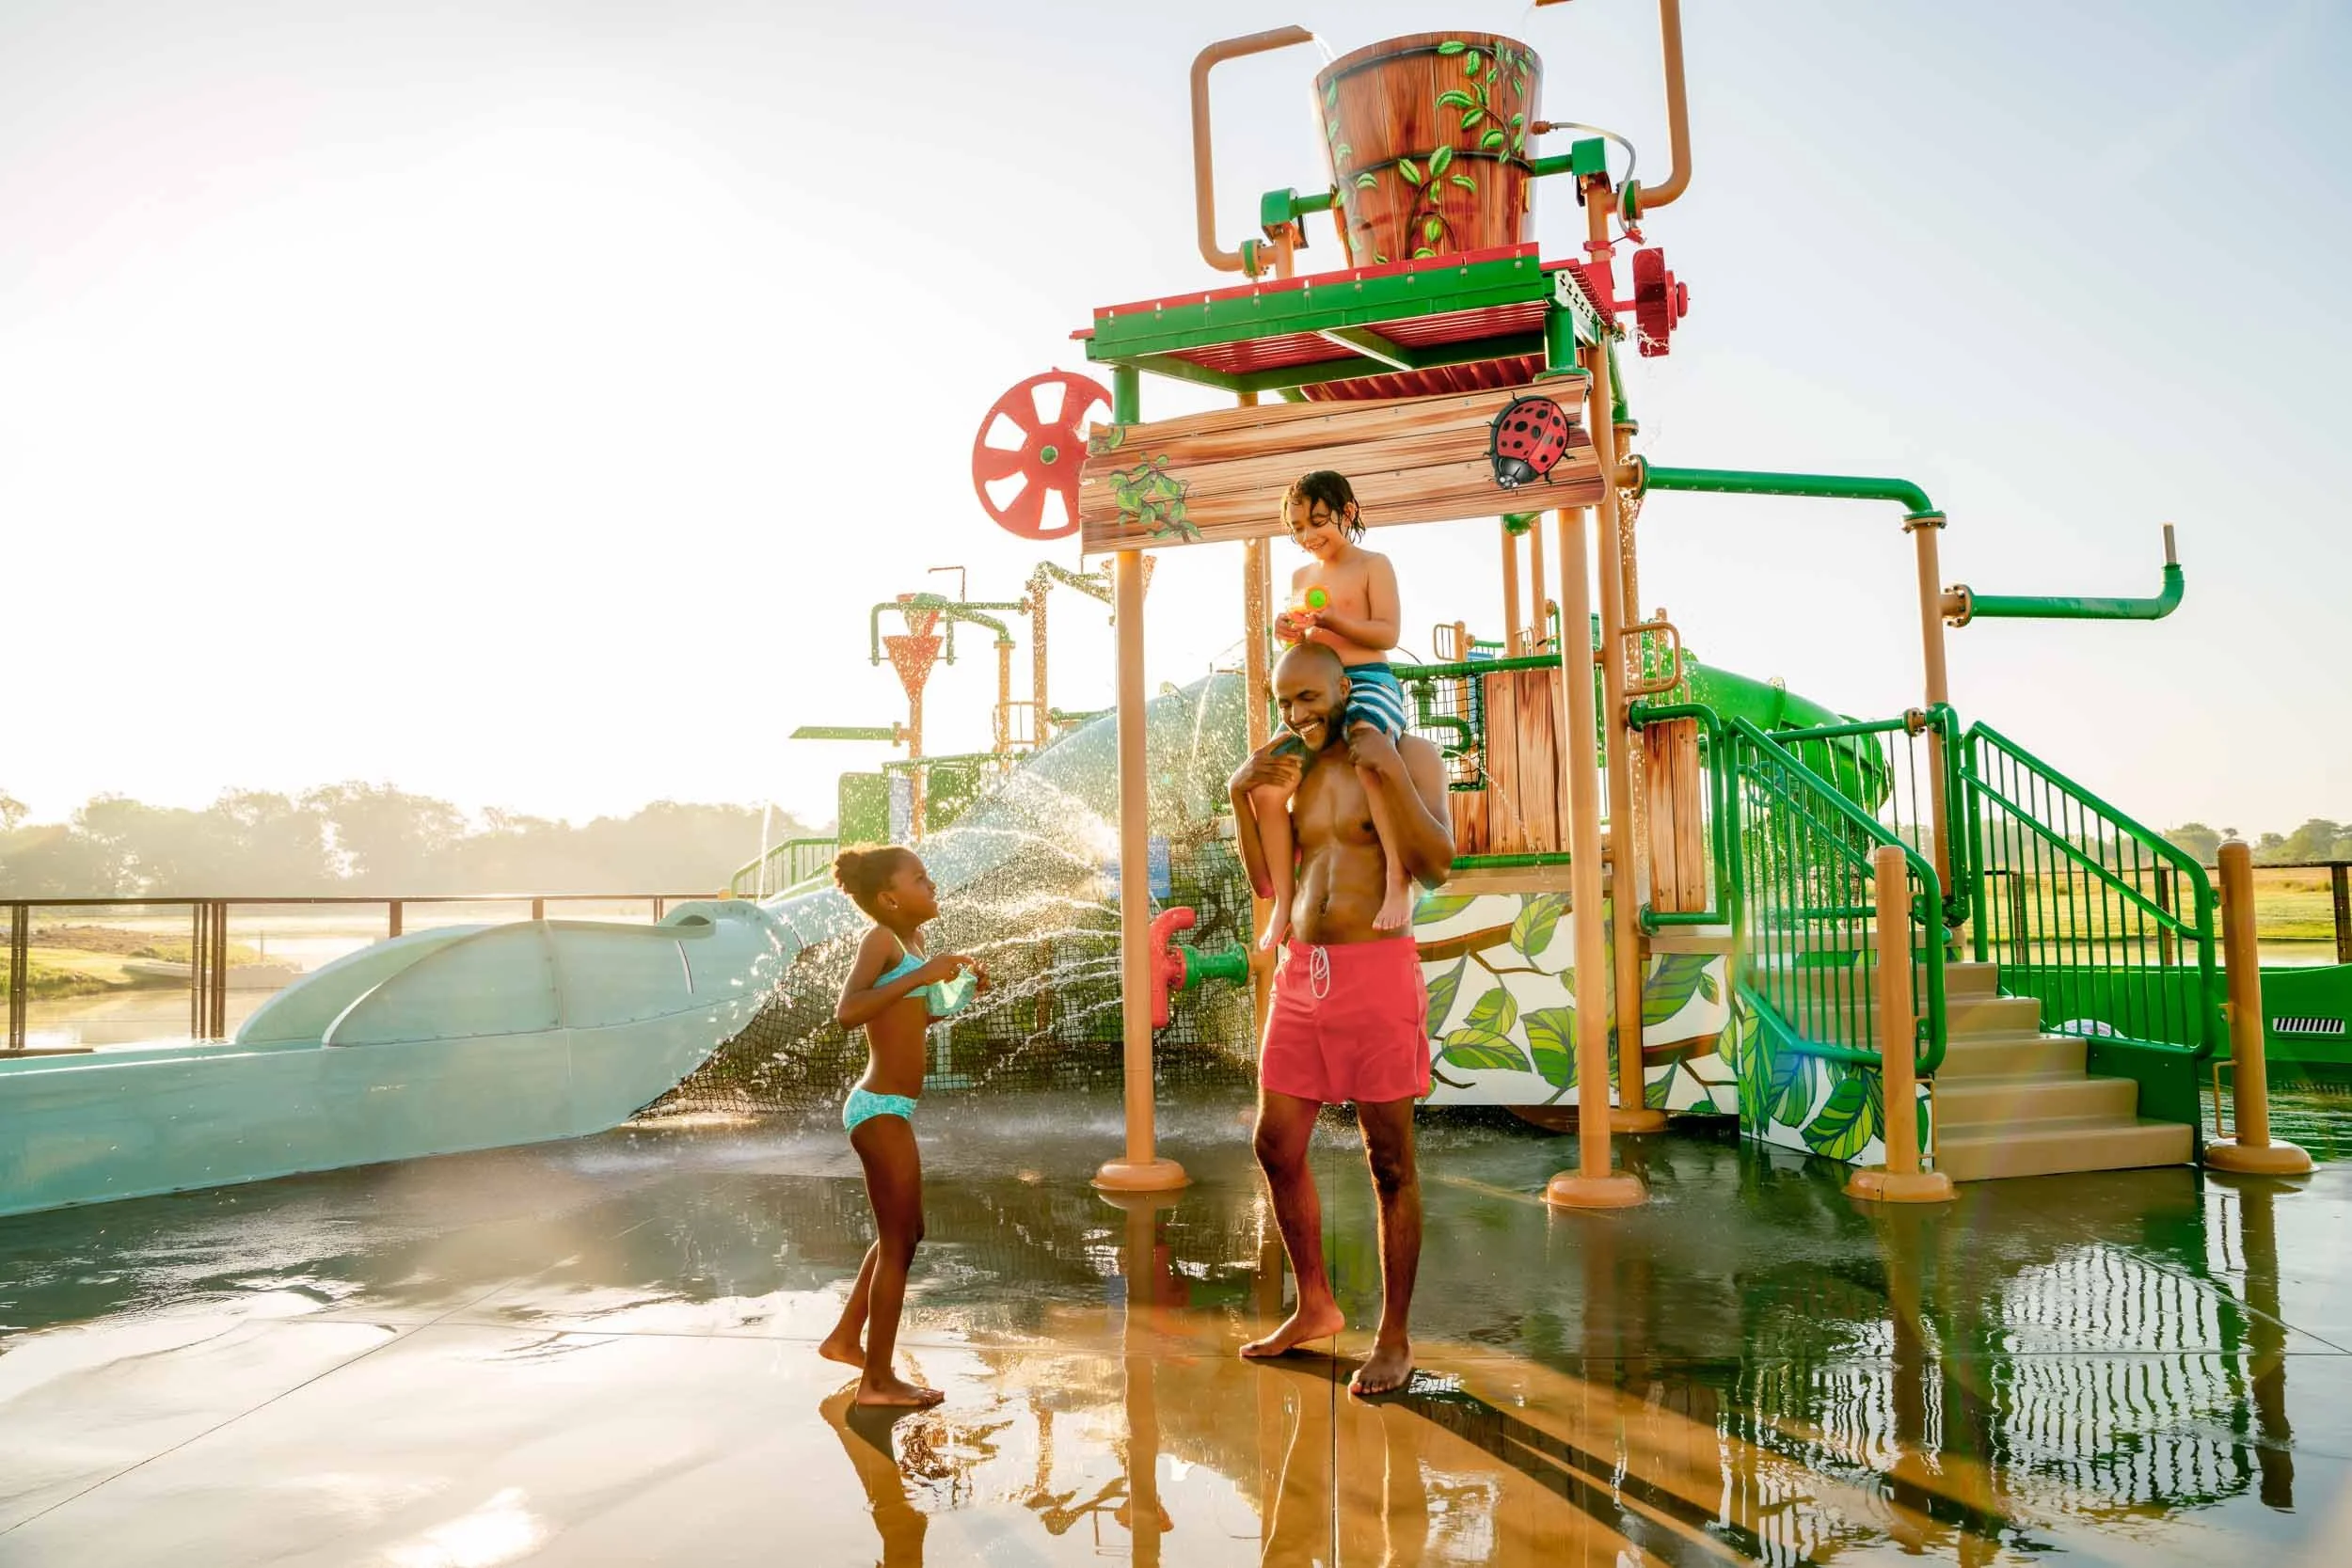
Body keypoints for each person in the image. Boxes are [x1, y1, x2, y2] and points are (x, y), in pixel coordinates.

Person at [1228, 640, 1457, 1397]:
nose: (1296, 714)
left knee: (1389, 1162)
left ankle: (1394, 1337)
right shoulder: (1295, 770)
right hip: (1303, 975)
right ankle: (1316, 1304)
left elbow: (1436, 861)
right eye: (1284, 702)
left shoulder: (1409, 753)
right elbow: (1267, 878)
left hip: (1376, 974)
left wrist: (1387, 770)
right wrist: (1242, 793)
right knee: (1275, 1144)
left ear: (1344, 687)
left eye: (1307, 697)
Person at [818, 845, 985, 1407]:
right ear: (889, 897)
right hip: (877, 1108)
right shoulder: (881, 942)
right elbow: (850, 1011)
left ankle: (845, 1338)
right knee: (898, 1244)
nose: (931, 884)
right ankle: (877, 1382)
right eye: (920, 878)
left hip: (894, 1108)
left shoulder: (910, 944)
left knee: (907, 1234)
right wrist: (931, 972)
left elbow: (918, 1011)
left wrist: (957, 986)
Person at [1251, 470, 1413, 950]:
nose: (1307, 536)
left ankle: (1398, 880)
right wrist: (1287, 630)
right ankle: (1283, 899)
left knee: (1366, 750)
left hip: (1368, 683)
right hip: (1319, 693)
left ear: (1347, 513)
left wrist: (1337, 620)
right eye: (1297, 527)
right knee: (1267, 783)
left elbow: (1388, 635)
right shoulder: (1302, 577)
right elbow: (1306, 640)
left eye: (1318, 521)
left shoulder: (1372, 565)